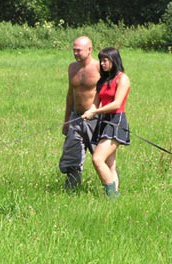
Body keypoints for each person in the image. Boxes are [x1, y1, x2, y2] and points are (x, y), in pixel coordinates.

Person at [82, 47, 130, 197]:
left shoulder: (122, 78)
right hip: (104, 121)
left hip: (117, 120)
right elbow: (96, 103)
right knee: (110, 164)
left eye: (105, 60)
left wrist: (95, 112)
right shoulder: (102, 81)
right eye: (101, 60)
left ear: (114, 60)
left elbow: (116, 104)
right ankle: (114, 197)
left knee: (97, 159)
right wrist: (90, 111)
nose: (102, 63)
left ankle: (112, 196)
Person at [59, 36, 100, 190]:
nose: (75, 53)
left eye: (79, 50)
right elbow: (70, 95)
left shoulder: (99, 68)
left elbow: (108, 94)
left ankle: (111, 188)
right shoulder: (72, 68)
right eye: (74, 50)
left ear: (89, 50)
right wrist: (66, 120)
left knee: (100, 156)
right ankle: (72, 188)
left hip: (96, 118)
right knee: (72, 154)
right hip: (76, 117)